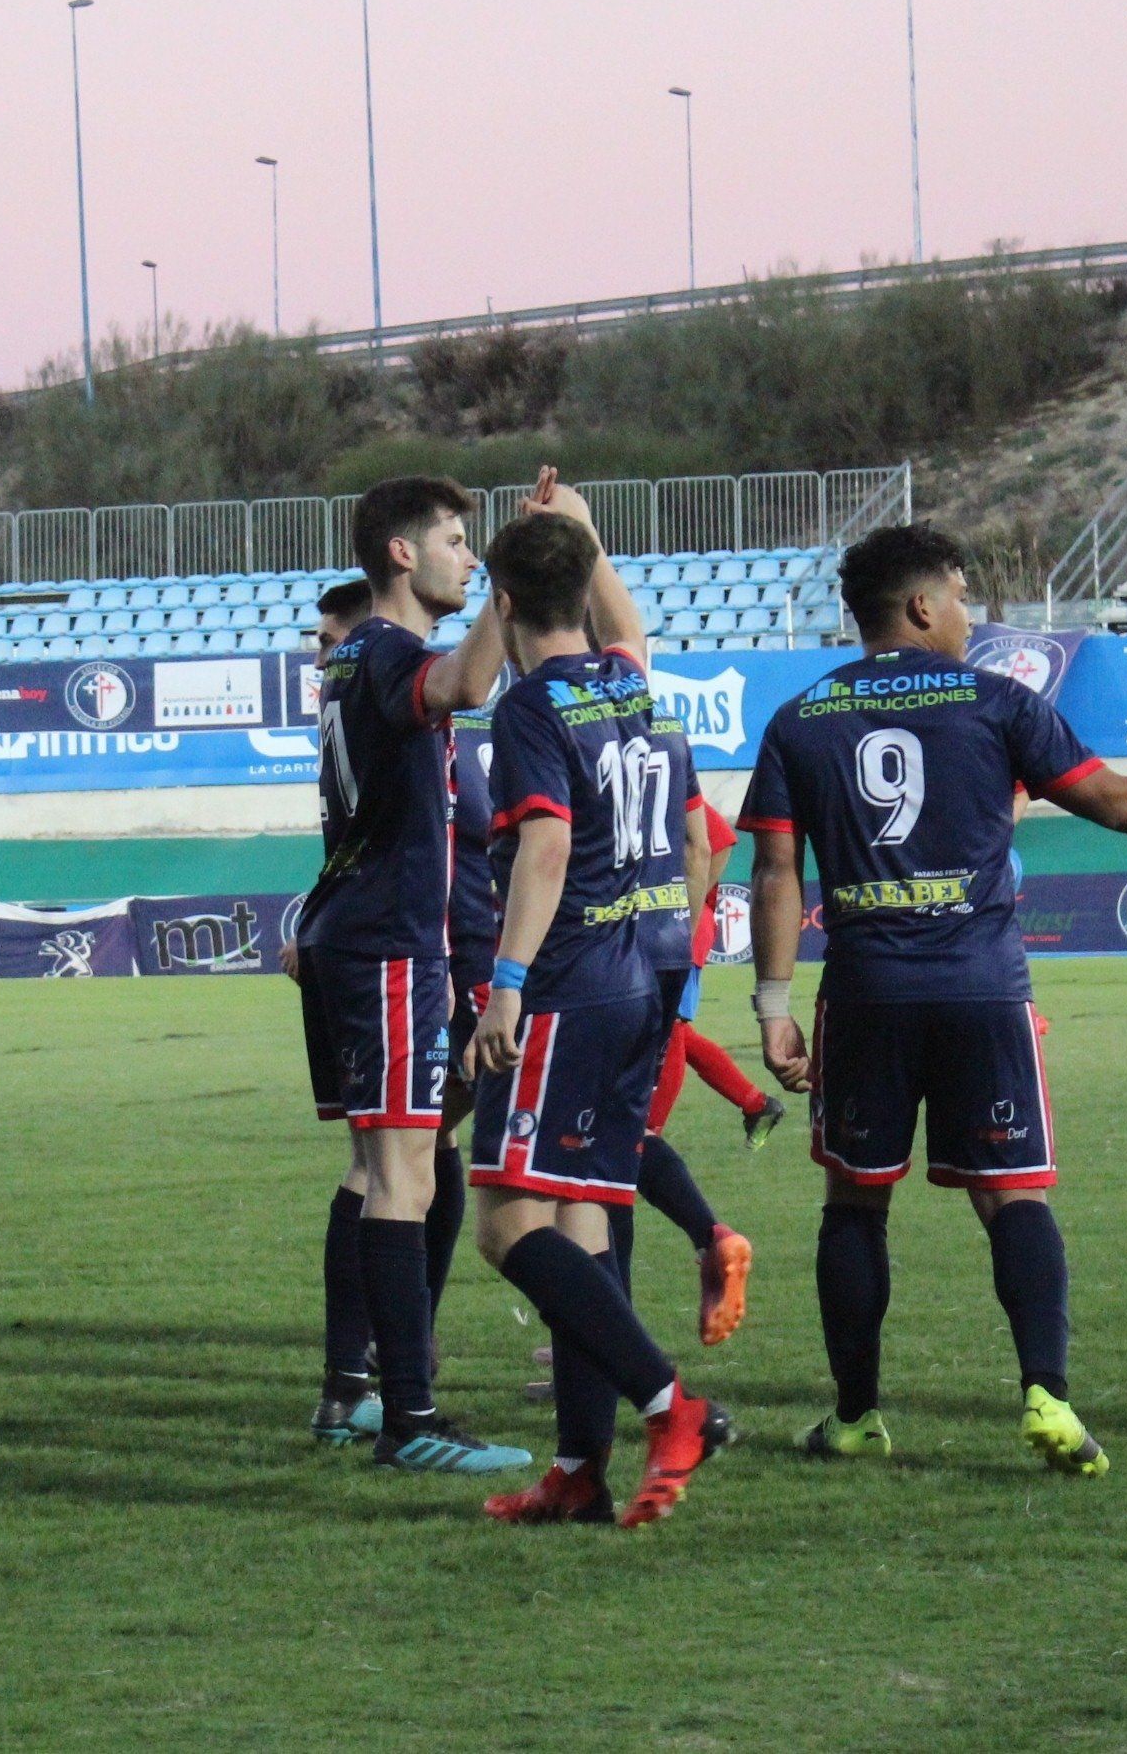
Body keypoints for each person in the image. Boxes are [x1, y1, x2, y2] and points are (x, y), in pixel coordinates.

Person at [745, 522, 1127, 1477]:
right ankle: (1047, 1394)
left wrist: (772, 1005)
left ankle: (853, 1417)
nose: (972, 615)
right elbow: (1116, 801)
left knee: (854, 1204)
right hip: (982, 990)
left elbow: (774, 873)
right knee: (1013, 1195)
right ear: (922, 606)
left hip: (867, 993)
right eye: (962, 597)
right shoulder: (997, 703)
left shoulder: (801, 717)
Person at [462, 503, 731, 1529]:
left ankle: (672, 1403)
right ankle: (578, 1467)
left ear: (503, 603)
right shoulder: (635, 687)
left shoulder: (530, 709)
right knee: (585, 1213)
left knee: (505, 1222)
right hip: (655, 975)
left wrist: (507, 980)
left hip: (575, 978)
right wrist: (583, 531)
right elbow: (629, 627)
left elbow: (543, 847)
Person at [288, 474, 528, 1477]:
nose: (467, 558)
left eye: (476, 547)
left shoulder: (348, 660)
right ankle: (409, 1418)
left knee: (381, 1163)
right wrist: (515, 586)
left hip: (358, 930)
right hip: (391, 943)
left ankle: (352, 1387)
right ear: (400, 552)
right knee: (405, 1171)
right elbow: (464, 687)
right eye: (456, 540)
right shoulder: (389, 652)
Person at [635, 797, 772, 1346]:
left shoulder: (637, 747)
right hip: (647, 955)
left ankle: (593, 1338)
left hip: (633, 957)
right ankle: (590, 1337)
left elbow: (714, 840)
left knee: (613, 1147)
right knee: (614, 1149)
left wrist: (681, 921)